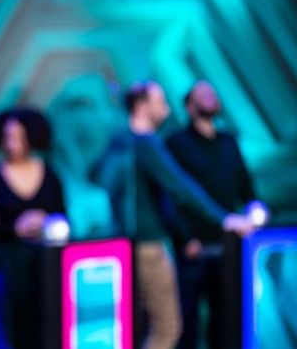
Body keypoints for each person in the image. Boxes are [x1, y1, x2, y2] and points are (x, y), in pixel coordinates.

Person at [89, 80, 253, 349]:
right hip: (149, 247)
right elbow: (181, 188)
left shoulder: (121, 142)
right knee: (167, 329)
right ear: (142, 106)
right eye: (160, 101)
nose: (165, 108)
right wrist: (224, 218)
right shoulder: (145, 143)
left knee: (142, 326)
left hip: (126, 245)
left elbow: (95, 175)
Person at [165, 81, 257, 349]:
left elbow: (246, 188)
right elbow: (170, 197)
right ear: (189, 105)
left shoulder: (228, 141)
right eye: (203, 94)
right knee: (187, 321)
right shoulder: (176, 143)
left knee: (227, 320)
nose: (211, 98)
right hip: (194, 249)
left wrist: (255, 209)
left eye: (213, 94)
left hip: (229, 248)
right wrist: (185, 238)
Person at [0, 107, 66, 349]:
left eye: (19, 137)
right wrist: (15, 228)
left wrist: (45, 221)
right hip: (10, 263)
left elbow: (63, 216)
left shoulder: (50, 174)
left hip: (45, 263)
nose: (12, 143)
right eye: (8, 136)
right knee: (14, 325)